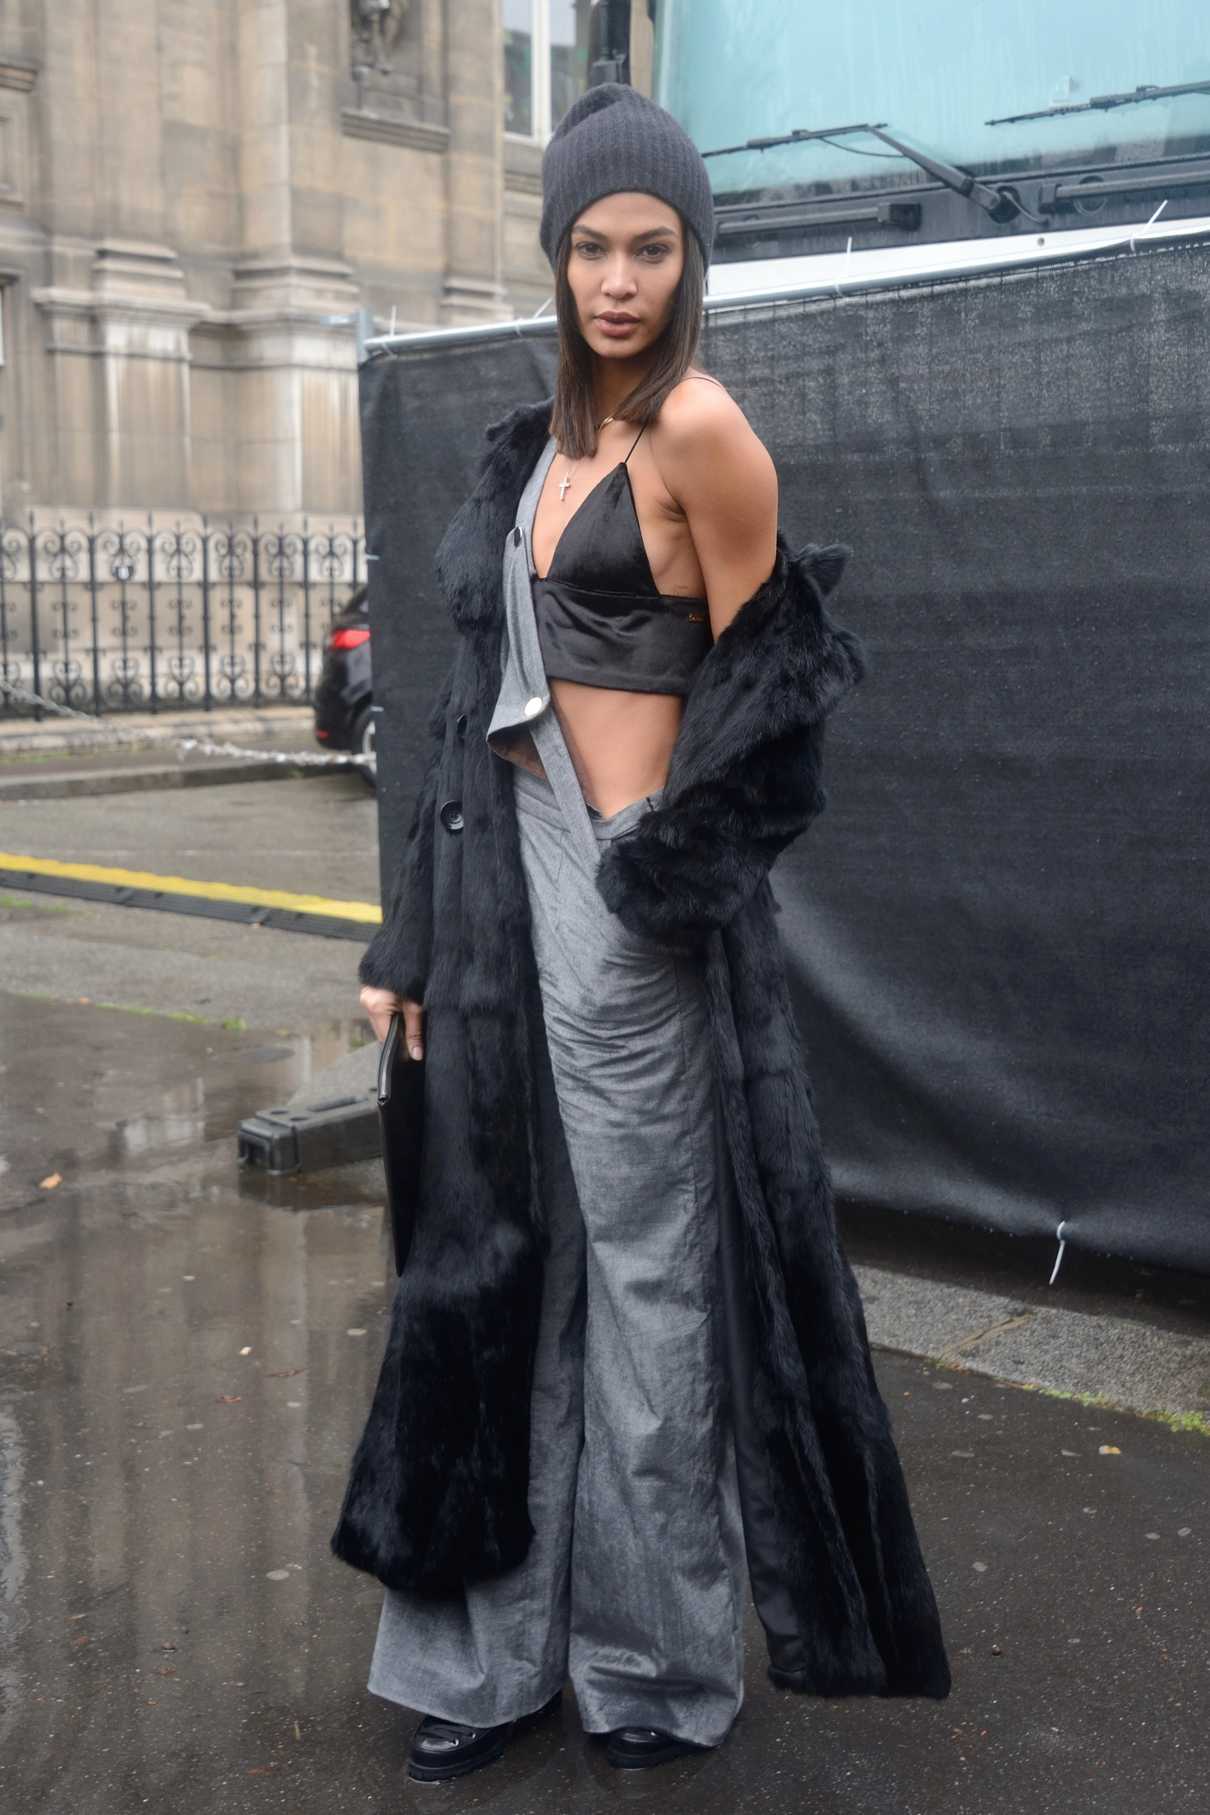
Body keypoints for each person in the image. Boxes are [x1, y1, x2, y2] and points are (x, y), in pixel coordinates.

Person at [334, 82, 951, 1785]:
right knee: (491, 1265)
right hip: (488, 893)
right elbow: (465, 711)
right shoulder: (531, 447)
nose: (619, 279)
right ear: (557, 259)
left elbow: (776, 699)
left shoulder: (701, 433)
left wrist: (657, 877)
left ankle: (649, 1661)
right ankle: (482, 1652)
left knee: (649, 1288)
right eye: (593, 246)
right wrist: (405, 937)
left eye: (651, 247)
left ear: (692, 257)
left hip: (617, 907)